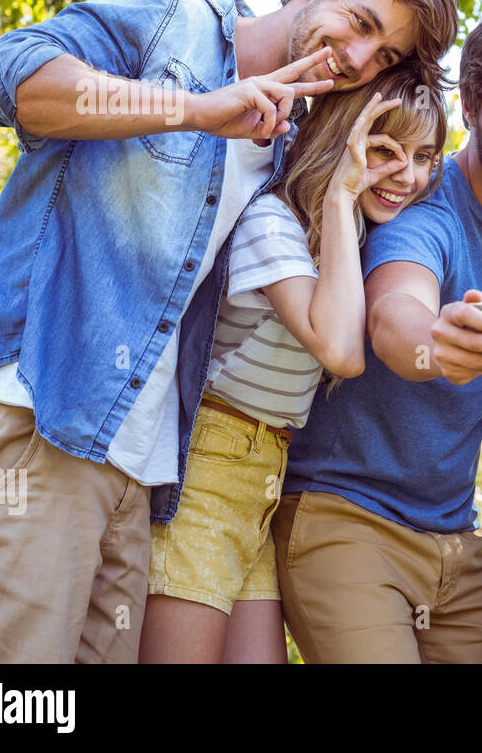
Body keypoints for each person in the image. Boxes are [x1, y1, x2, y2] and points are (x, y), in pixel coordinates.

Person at [0, 0, 457, 663]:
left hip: (143, 464)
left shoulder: (290, 142)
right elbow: (7, 81)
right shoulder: (173, 15)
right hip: (38, 409)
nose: (361, 59)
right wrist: (200, 108)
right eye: (361, 24)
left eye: (386, 54)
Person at [273, 4, 482, 663]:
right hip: (346, 518)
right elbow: (394, 313)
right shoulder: (423, 206)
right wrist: (436, 341)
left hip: (455, 540)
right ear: (470, 109)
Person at [139, 68, 448, 663]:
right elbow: (341, 352)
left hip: (265, 474)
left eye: (424, 156)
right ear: (340, 140)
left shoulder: (348, 236)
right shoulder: (272, 223)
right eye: (384, 150)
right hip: (209, 466)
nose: (405, 174)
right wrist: (339, 193)